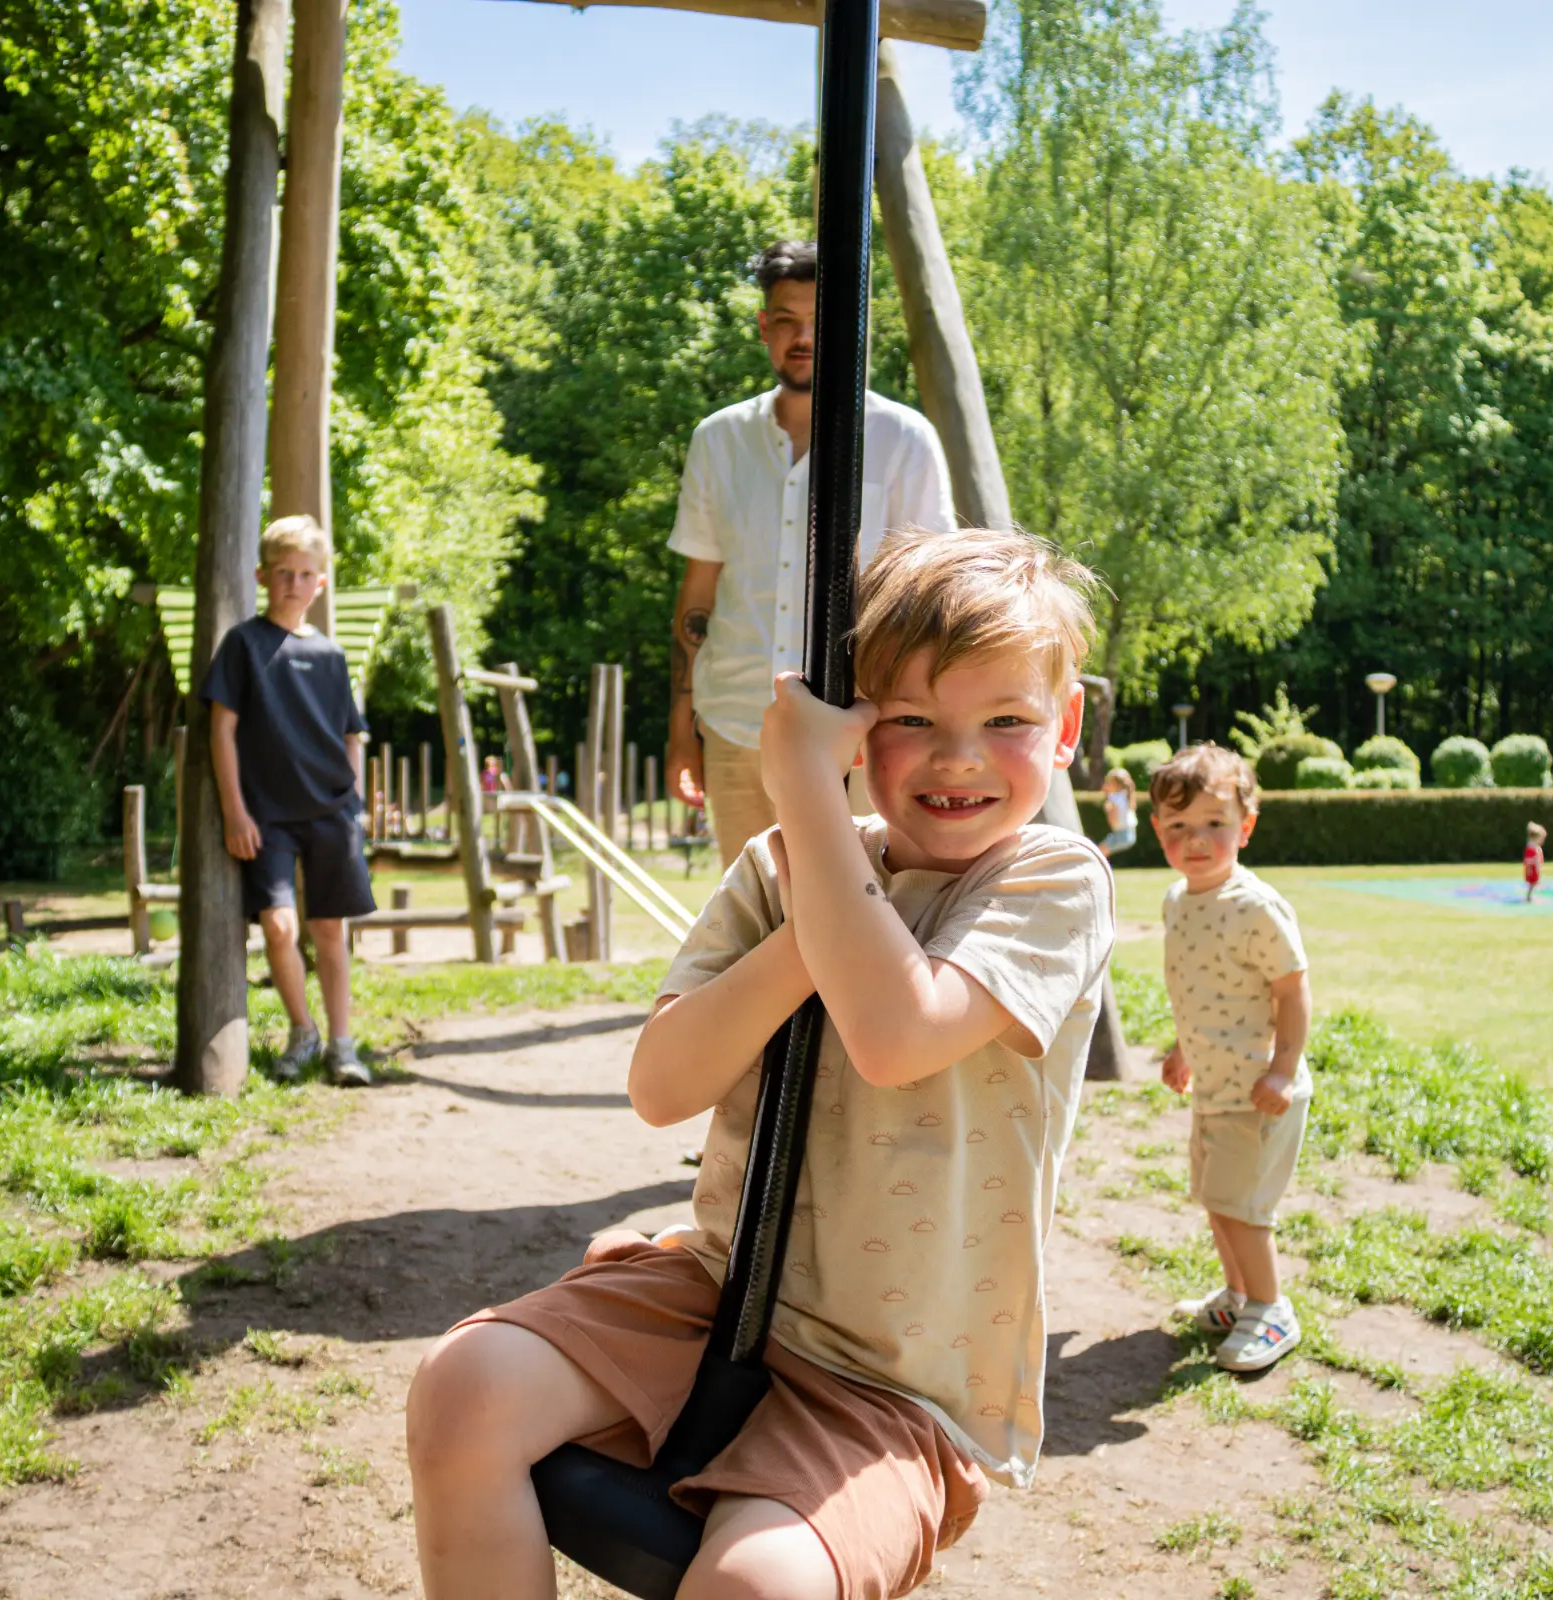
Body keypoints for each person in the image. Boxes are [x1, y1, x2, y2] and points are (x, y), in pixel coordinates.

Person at [408, 527, 1113, 1598]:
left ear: (1064, 728)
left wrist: (812, 813)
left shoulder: (1052, 880)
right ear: (850, 728)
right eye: (911, 719)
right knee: (462, 1386)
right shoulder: (781, 866)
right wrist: (809, 884)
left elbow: (896, 1033)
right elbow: (662, 1087)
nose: (959, 756)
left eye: (1005, 720)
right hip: (719, 1290)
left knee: (757, 1584)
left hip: (892, 1375)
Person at [665, 239, 957, 870]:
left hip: (863, 731)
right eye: (786, 321)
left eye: (817, 321)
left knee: (864, 908)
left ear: (847, 327)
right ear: (763, 327)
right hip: (735, 725)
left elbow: (931, 597)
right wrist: (681, 730)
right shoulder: (717, 440)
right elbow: (698, 595)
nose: (802, 338)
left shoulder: (905, 440)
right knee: (753, 911)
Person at [1153, 744, 1312, 1374]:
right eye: (1178, 825)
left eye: (1214, 823)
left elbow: (1292, 989)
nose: (1195, 839)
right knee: (1217, 1199)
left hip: (1257, 1091)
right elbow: (1195, 985)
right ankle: (1239, 1296)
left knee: (1243, 1209)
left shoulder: (1255, 907)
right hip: (1214, 1087)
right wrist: (1183, 1048)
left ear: (1245, 827)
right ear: (1158, 830)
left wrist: (1283, 1068)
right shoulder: (1177, 900)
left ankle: (1272, 1310)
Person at [202, 514, 376, 1086]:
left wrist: (352, 800)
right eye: (283, 573)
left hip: (330, 813)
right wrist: (235, 810)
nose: (293, 584)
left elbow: (351, 734)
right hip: (267, 817)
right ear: (262, 576)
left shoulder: (330, 655)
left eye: (305, 575)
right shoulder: (243, 645)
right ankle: (303, 1031)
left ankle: (343, 1046)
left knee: (329, 930)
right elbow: (222, 730)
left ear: (319, 583)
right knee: (278, 926)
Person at [1099, 765, 1139, 855]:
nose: (1106, 785)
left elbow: (1114, 821)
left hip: (1120, 833)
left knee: (1099, 852)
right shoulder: (1126, 796)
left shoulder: (1115, 798)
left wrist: (1108, 810)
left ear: (1116, 785)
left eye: (1109, 783)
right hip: (1131, 834)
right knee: (1103, 852)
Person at [1523, 821, 1547, 903]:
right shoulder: (1533, 848)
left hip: (1532, 869)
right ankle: (1529, 897)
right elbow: (1532, 860)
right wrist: (1537, 869)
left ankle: (1529, 896)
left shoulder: (1533, 847)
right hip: (1533, 870)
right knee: (1533, 883)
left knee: (1533, 884)